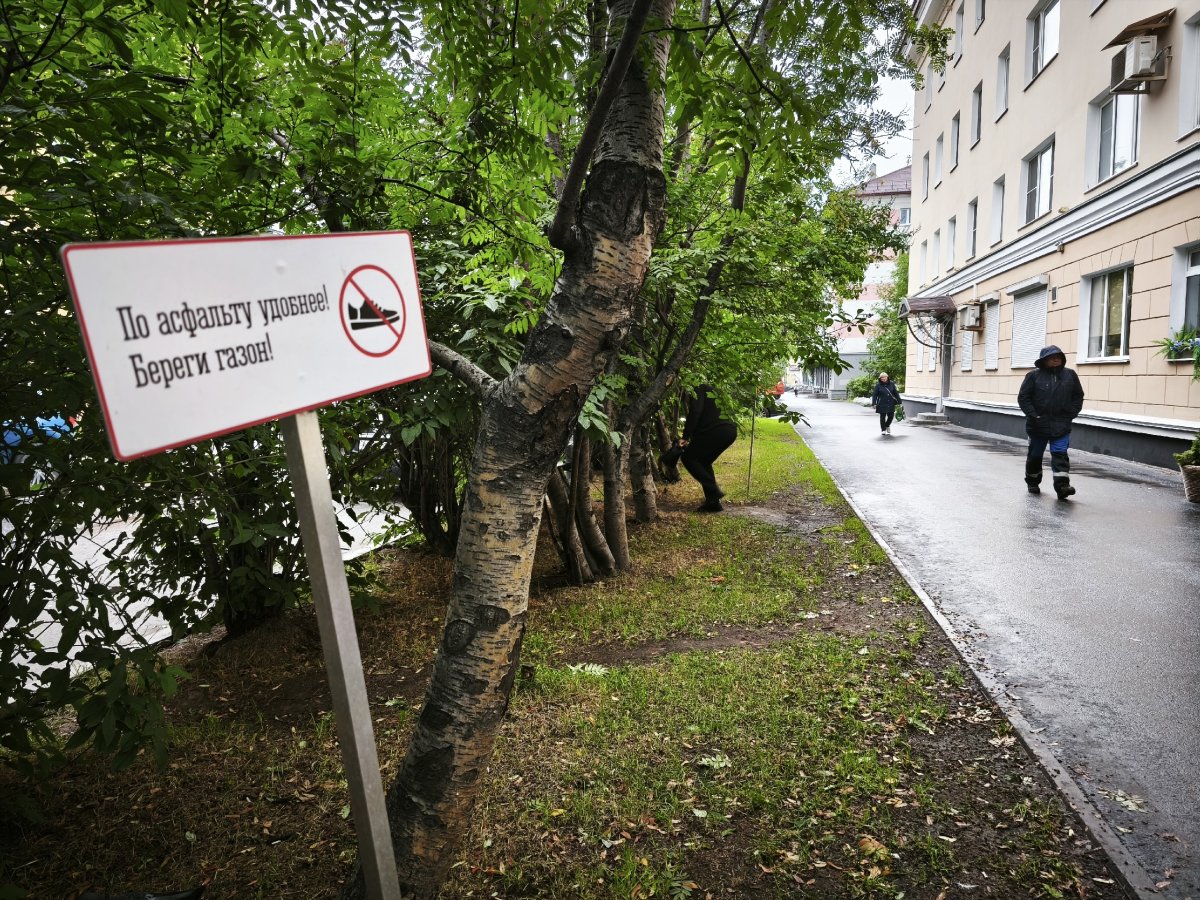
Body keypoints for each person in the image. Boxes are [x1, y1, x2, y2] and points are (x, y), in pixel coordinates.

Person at [1017, 344, 1085, 499]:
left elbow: (1078, 396)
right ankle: (1033, 482)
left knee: (1060, 455)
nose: (1055, 360)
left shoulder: (1070, 375)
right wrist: (1034, 416)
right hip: (1038, 425)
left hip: (1061, 425)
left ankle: (1062, 487)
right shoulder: (1033, 376)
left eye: (1058, 357)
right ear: (1044, 360)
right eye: (1051, 357)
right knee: (1035, 456)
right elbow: (1024, 398)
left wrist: (1071, 414)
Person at [679, 383, 737, 512]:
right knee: (703, 461)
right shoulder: (713, 390)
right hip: (729, 431)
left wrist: (685, 436)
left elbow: (696, 411)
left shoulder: (698, 387)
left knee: (688, 457)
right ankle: (713, 503)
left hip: (717, 431)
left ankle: (714, 491)